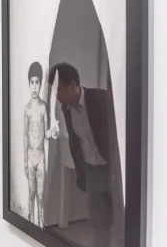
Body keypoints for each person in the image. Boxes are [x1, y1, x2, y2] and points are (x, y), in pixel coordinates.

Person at [48, 62, 121, 247]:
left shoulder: (102, 98)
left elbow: (120, 134)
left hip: (114, 172)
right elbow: (76, 141)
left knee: (123, 225)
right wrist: (83, 174)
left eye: (59, 89)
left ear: (73, 84)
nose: (56, 96)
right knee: (99, 226)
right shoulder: (66, 109)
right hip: (92, 174)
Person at [23, 62, 51, 228]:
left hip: (40, 159)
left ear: (40, 84)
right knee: (31, 193)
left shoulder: (43, 107)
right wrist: (24, 160)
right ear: (29, 84)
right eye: (32, 82)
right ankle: (29, 221)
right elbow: (25, 136)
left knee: (41, 195)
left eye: (37, 82)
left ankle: (41, 226)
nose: (34, 86)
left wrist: (52, 132)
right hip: (30, 158)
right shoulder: (26, 109)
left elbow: (46, 132)